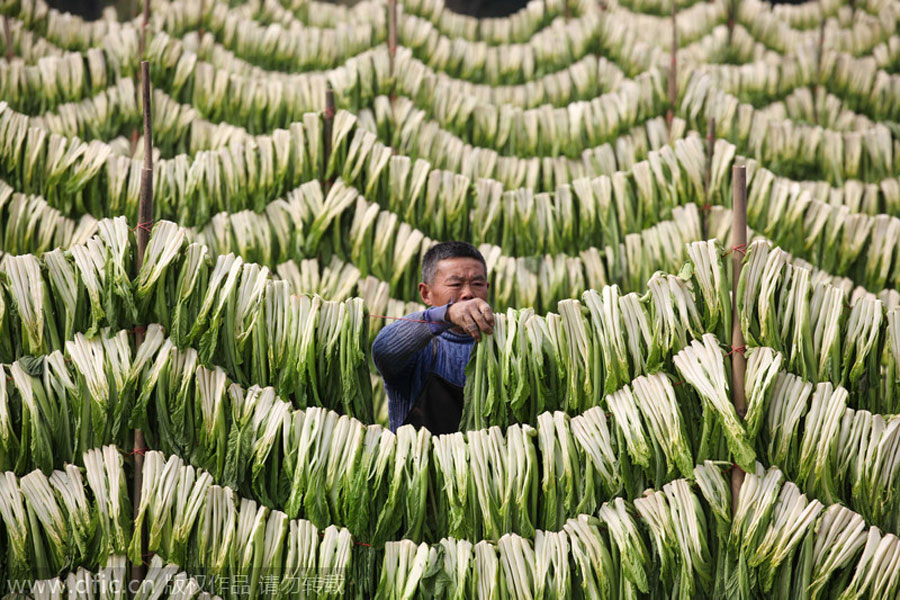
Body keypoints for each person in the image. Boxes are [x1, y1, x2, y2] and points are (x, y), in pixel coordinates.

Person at [372, 241, 495, 434]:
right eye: (455, 284)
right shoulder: (421, 347)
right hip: (416, 463)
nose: (468, 293)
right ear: (426, 293)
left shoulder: (504, 346)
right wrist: (445, 315)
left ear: (487, 288)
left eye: (477, 284)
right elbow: (383, 349)